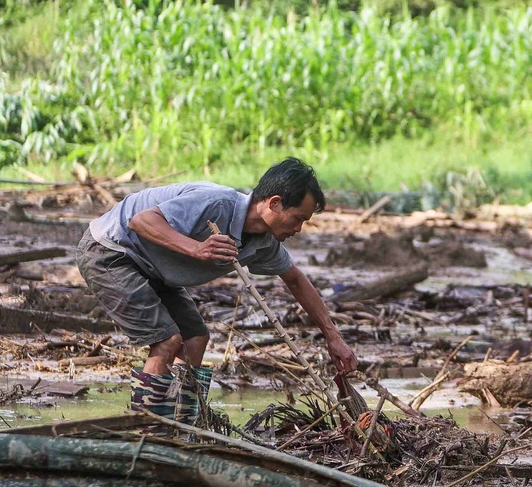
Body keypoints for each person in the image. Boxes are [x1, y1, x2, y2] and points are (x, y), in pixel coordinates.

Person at [76, 157, 357, 423]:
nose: (299, 228)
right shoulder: (216, 203)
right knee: (167, 341)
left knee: (195, 337)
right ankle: (148, 431)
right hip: (111, 250)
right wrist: (196, 248)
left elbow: (295, 280)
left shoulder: (263, 243)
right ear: (274, 203)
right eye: (298, 218)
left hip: (154, 267)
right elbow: (141, 221)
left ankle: (183, 424)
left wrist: (333, 337)